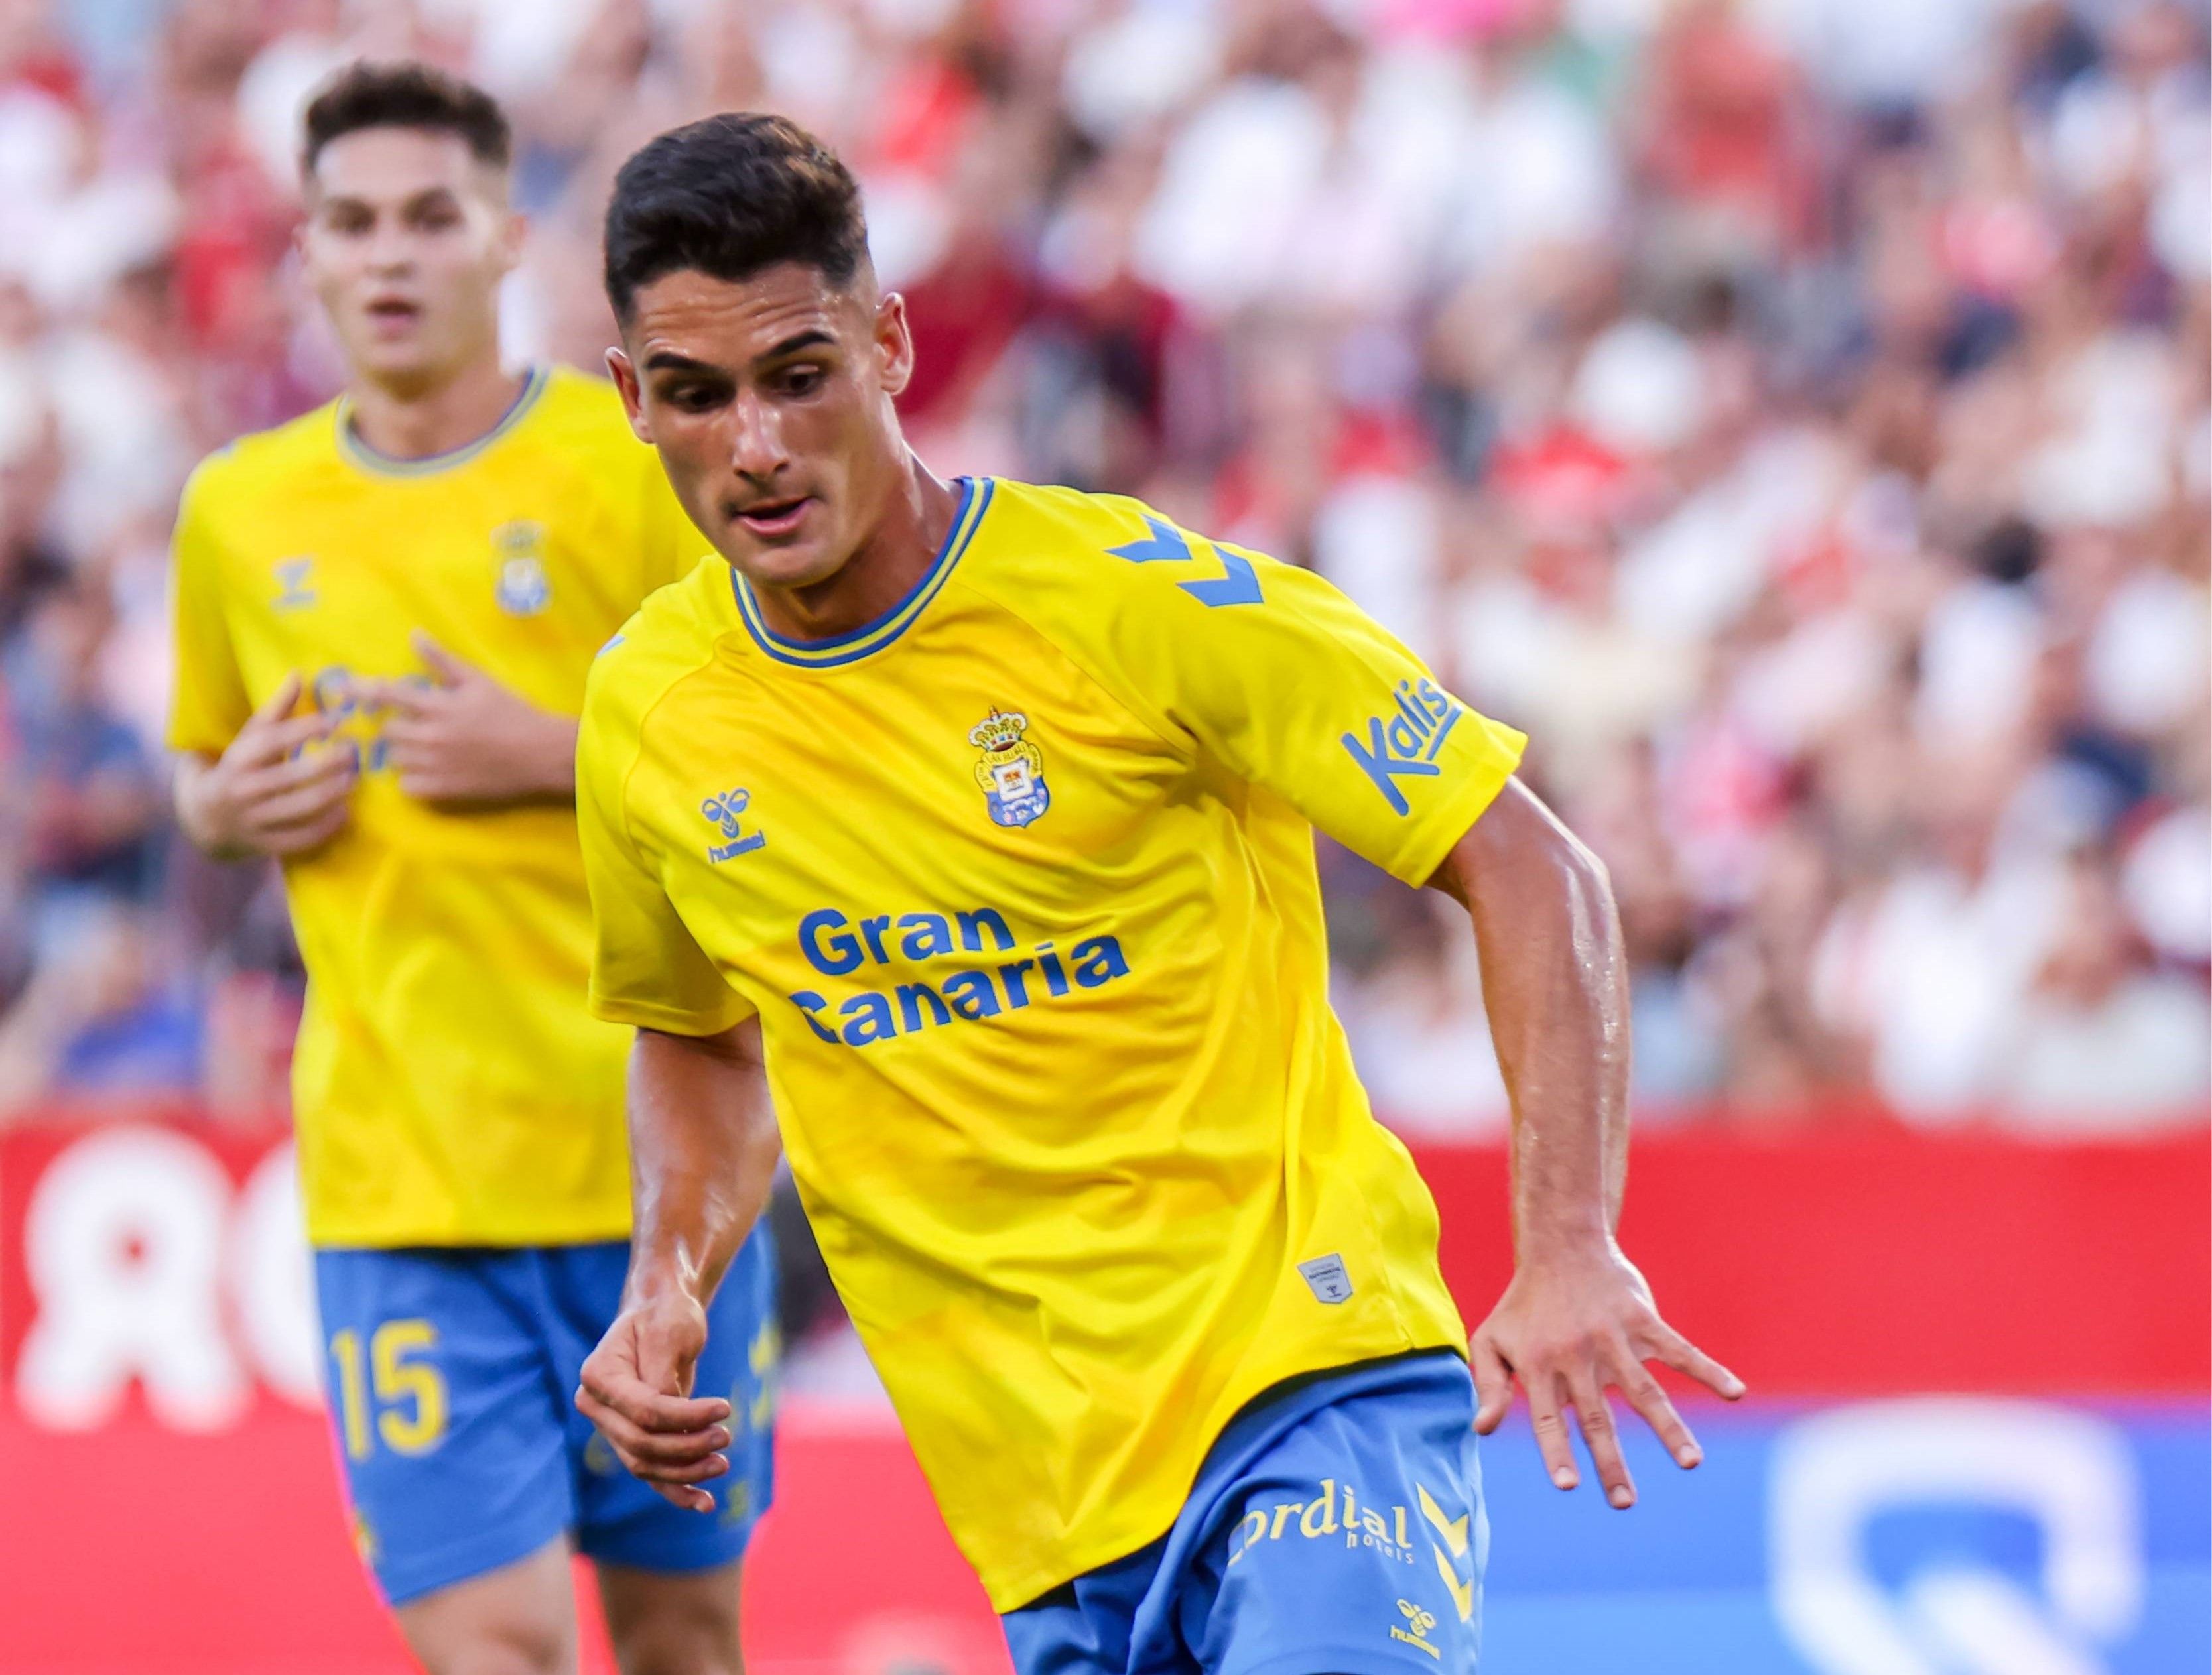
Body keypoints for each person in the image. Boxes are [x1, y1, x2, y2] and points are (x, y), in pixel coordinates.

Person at [573, 114, 1740, 1675]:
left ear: (892, 345)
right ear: (631, 400)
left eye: (800, 374)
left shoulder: (1131, 601)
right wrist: (668, 1277)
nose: (758, 447)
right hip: (1043, 1503)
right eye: (697, 397)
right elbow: (703, 1034)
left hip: (1308, 1381)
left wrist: (1569, 1239)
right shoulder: (650, 713)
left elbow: (1529, 859)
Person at [165, 66, 775, 1675]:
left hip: (667, 1177)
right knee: (493, 1648)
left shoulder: (635, 465)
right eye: (354, 223)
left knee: (684, 1645)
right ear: (306, 251)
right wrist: (225, 807)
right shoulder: (239, 512)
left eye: (431, 218)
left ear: (507, 238)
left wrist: (559, 752)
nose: (392, 256)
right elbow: (199, 768)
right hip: (405, 1189)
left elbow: (776, 755)